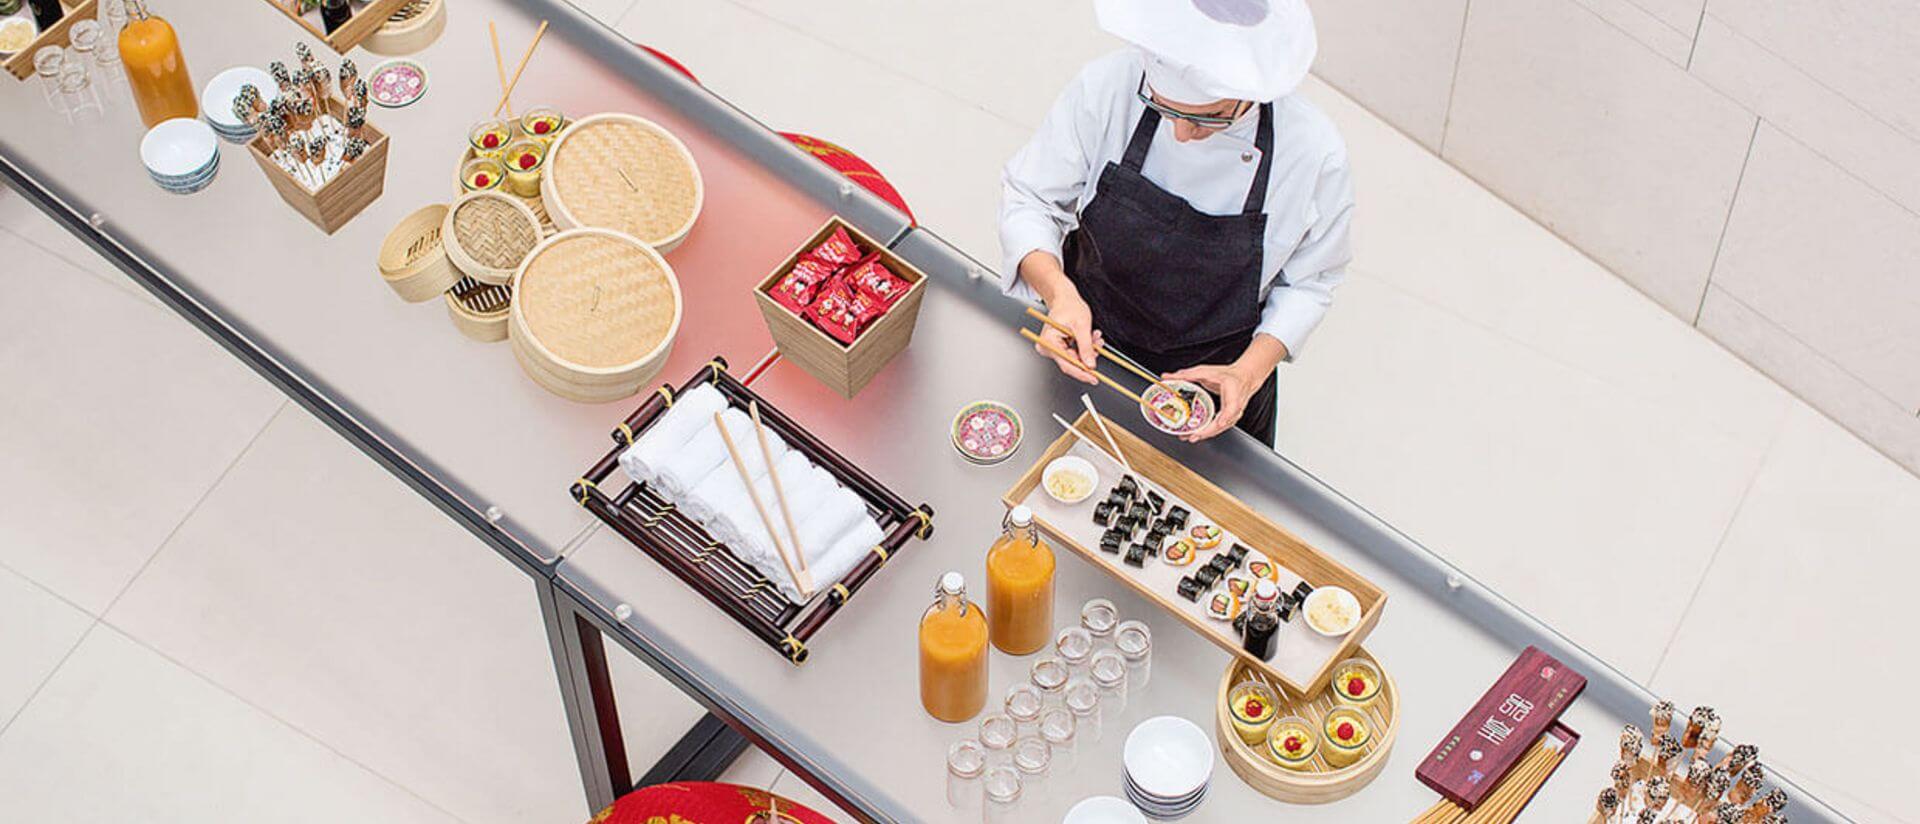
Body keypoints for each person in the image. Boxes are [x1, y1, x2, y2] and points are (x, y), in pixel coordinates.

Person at [999, 0, 1354, 443]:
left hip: (1215, 381)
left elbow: (1311, 282)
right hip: (1086, 342)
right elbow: (1030, 198)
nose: (1182, 134)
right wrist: (1059, 294)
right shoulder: (1109, 86)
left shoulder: (1312, 154)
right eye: (1164, 108)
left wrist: (1247, 372)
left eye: (1206, 119)